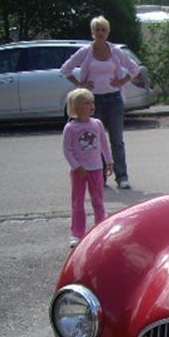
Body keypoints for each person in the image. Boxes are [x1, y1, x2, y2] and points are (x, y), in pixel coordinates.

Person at [60, 15, 139, 189]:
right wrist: (80, 84)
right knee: (97, 141)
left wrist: (121, 82)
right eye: (97, 30)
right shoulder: (85, 52)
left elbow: (134, 68)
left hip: (114, 99)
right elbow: (66, 69)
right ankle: (100, 177)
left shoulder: (116, 51)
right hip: (93, 101)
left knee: (116, 140)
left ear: (108, 32)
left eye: (103, 30)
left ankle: (122, 177)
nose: (100, 33)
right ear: (92, 32)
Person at [62, 88, 114, 249]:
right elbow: (67, 150)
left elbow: (104, 144)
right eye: (86, 103)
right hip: (79, 171)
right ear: (76, 107)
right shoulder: (70, 128)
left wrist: (109, 161)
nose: (91, 106)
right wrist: (77, 167)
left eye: (92, 102)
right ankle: (77, 233)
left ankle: (100, 229)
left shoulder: (97, 124)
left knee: (98, 201)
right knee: (78, 202)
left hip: (96, 168)